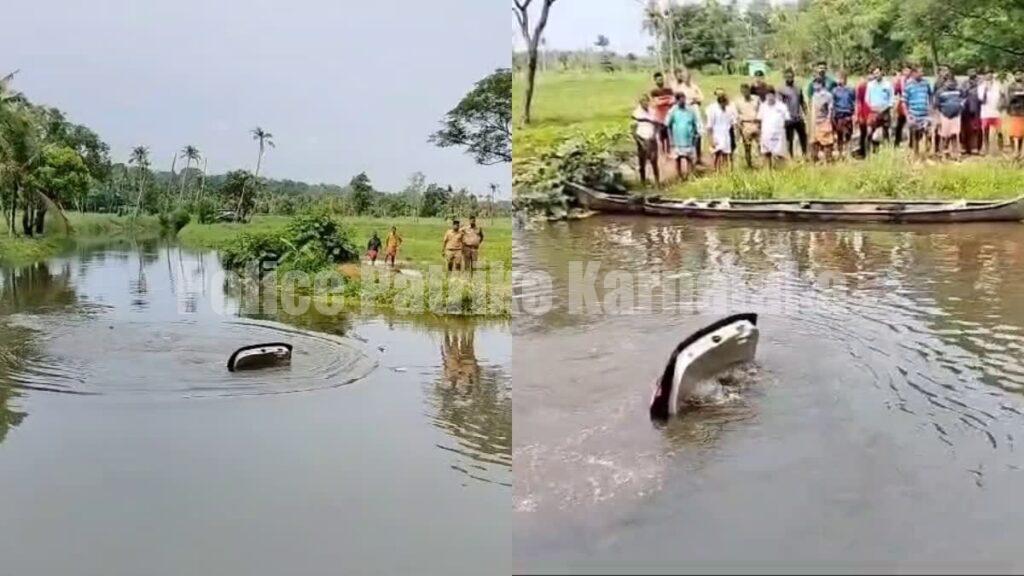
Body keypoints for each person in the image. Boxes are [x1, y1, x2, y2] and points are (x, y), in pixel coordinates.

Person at [673, 69, 705, 164]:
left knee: (698, 133)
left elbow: (701, 97)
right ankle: (687, 157)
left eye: (688, 76)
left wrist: (695, 100)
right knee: (687, 132)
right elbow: (677, 101)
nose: (686, 78)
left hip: (695, 110)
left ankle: (698, 157)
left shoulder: (694, 87)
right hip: (685, 112)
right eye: (684, 76)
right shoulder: (680, 88)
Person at [666, 92, 700, 180]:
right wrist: (671, 140)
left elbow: (695, 123)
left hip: (689, 138)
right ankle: (679, 176)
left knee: (689, 158)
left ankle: (690, 175)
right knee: (678, 159)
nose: (683, 101)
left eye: (684, 99)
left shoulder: (690, 110)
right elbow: (668, 125)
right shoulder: (673, 111)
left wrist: (696, 134)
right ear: (677, 101)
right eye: (681, 100)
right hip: (677, 139)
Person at [903, 67, 934, 158]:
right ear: (914, 73)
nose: (922, 74)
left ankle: (927, 154)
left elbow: (930, 95)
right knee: (915, 136)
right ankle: (916, 155)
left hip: (925, 114)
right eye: (920, 72)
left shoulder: (926, 83)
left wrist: (930, 106)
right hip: (914, 114)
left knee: (929, 134)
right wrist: (907, 115)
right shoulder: (908, 84)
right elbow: (904, 101)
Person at [632, 93, 661, 186]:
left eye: (646, 101)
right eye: (643, 101)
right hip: (642, 138)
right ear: (640, 102)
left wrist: (654, 135)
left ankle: (657, 181)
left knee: (654, 161)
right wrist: (639, 141)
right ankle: (643, 182)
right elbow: (633, 129)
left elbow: (657, 125)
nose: (645, 103)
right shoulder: (636, 113)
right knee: (642, 162)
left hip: (652, 139)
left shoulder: (653, 112)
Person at [778, 68, 808, 158]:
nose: (789, 78)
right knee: (789, 139)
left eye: (791, 76)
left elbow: (802, 102)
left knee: (803, 137)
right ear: (785, 77)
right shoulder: (781, 89)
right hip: (788, 118)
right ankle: (790, 157)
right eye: (787, 76)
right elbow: (779, 105)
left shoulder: (798, 88)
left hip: (798, 117)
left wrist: (806, 113)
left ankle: (805, 155)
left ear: (793, 76)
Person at [705, 88, 737, 171]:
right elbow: (709, 126)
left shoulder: (729, 110)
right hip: (717, 134)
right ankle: (716, 170)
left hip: (726, 135)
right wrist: (711, 140)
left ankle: (725, 172)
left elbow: (733, 122)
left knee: (725, 154)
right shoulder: (713, 110)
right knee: (717, 154)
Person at [758, 88, 790, 169]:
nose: (769, 97)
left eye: (771, 95)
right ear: (766, 96)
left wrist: (782, 129)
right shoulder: (763, 106)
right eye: (768, 95)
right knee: (766, 153)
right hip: (766, 134)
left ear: (774, 95)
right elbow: (759, 120)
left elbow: (787, 119)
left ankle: (781, 171)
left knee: (780, 154)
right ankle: (768, 171)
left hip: (778, 135)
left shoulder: (781, 106)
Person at [865, 66, 894, 153]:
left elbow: (891, 98)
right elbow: (867, 99)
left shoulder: (888, 84)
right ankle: (869, 151)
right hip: (873, 112)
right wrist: (872, 108)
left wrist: (886, 107)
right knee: (870, 131)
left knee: (885, 132)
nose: (876, 75)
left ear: (882, 72)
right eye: (874, 74)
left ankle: (887, 151)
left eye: (877, 73)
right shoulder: (870, 85)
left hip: (885, 111)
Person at [935, 75, 965, 158]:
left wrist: (960, 107)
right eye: (949, 81)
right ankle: (944, 152)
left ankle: (955, 153)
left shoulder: (958, 90)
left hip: (956, 116)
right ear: (945, 82)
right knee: (944, 135)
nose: (951, 83)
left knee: (954, 134)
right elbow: (936, 105)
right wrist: (938, 118)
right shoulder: (940, 92)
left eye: (952, 81)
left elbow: (963, 99)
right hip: (944, 116)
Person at [979, 71, 1006, 154]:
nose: (989, 77)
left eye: (991, 76)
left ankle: (1001, 149)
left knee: (999, 131)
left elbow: (1003, 96)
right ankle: (986, 148)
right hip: (985, 112)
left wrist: (1001, 105)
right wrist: (985, 90)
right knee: (985, 131)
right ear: (984, 77)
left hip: (996, 112)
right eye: (987, 76)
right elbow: (982, 100)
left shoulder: (998, 85)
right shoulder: (981, 86)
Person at [831, 71, 857, 157]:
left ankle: (848, 153)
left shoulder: (851, 90)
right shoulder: (834, 91)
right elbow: (832, 104)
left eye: (841, 78)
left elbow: (854, 102)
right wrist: (832, 116)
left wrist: (855, 115)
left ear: (845, 79)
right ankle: (840, 153)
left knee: (848, 135)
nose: (839, 80)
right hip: (839, 116)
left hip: (848, 115)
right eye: (838, 78)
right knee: (839, 135)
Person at [735, 83, 761, 168]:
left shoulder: (756, 99)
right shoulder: (738, 102)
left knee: (761, 145)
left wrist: (760, 123)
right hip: (745, 125)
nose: (745, 93)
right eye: (743, 91)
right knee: (747, 147)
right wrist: (739, 127)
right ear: (741, 92)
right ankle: (749, 165)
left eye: (747, 91)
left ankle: (763, 164)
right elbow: (737, 115)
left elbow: (761, 110)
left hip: (756, 124)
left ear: (749, 90)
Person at [650, 72, 676, 155]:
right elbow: (656, 103)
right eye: (658, 80)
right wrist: (667, 101)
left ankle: (668, 151)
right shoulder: (654, 92)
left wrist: (662, 101)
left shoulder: (669, 90)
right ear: (655, 81)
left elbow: (673, 101)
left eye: (661, 79)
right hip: (659, 116)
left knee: (668, 134)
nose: (660, 81)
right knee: (661, 135)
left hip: (668, 115)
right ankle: (662, 152)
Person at [810, 81, 835, 162]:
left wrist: (828, 120)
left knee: (827, 142)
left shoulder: (828, 95)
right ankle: (814, 160)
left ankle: (828, 160)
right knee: (814, 141)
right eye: (814, 84)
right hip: (815, 122)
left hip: (824, 121)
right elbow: (813, 110)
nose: (814, 85)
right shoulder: (814, 95)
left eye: (816, 83)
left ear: (821, 84)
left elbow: (830, 109)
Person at [960, 69, 983, 155]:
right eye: (969, 72)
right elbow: (961, 94)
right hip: (965, 110)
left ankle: (975, 147)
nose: (971, 74)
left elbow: (982, 95)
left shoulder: (981, 83)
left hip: (977, 109)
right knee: (965, 129)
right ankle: (965, 147)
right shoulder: (964, 83)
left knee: (976, 129)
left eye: (973, 72)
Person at [1007, 70, 1024, 159]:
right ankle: (1014, 151)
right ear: (1014, 76)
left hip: (1023, 111)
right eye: (1017, 74)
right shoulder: (1011, 86)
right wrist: (1018, 94)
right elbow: (1010, 98)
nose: (1019, 76)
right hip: (1014, 111)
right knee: (1013, 133)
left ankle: (1020, 152)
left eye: (1020, 74)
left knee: (1021, 133)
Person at [854, 74, 872, 158]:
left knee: (865, 133)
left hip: (868, 112)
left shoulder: (863, 87)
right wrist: (858, 115)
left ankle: (864, 151)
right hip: (865, 113)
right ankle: (865, 151)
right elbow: (858, 102)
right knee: (866, 133)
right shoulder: (862, 87)